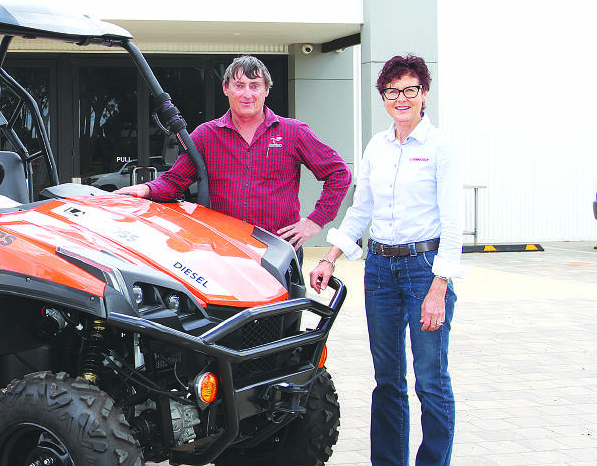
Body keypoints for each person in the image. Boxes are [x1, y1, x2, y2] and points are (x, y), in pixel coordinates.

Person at [309, 54, 462, 466]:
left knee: (430, 380)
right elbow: (362, 209)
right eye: (392, 91)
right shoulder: (378, 145)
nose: (401, 98)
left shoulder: (440, 148)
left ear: (424, 93)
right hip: (379, 271)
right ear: (383, 97)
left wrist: (439, 287)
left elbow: (452, 223)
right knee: (388, 381)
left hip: (423, 271)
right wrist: (331, 257)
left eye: (410, 90)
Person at [115, 55, 351, 254]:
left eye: (255, 85)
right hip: (225, 249)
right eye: (239, 85)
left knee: (282, 310)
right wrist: (144, 189)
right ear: (226, 88)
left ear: (266, 90)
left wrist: (315, 221)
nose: (247, 94)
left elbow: (339, 174)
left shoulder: (293, 132)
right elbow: (174, 182)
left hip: (278, 249)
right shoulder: (207, 134)